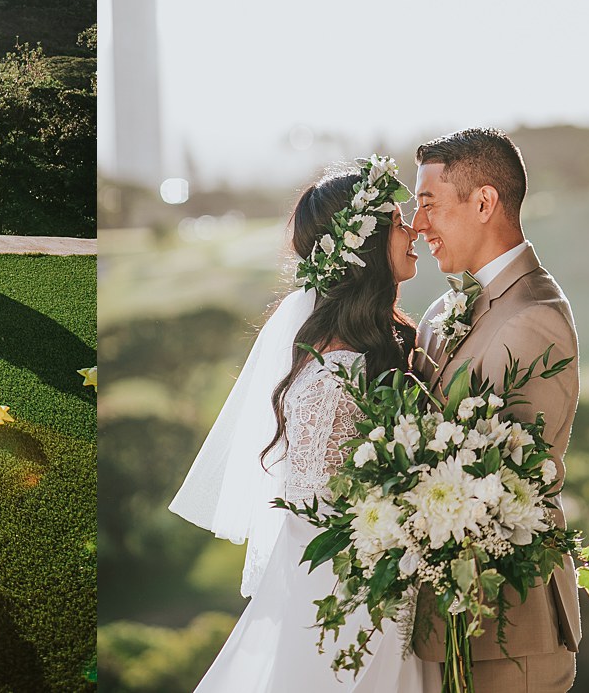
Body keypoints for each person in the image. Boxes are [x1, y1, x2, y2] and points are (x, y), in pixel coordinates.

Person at [170, 160, 439, 692]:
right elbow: (316, 521)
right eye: (397, 221)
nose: (414, 231)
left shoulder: (378, 347)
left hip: (389, 599)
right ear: (363, 245)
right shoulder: (332, 380)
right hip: (352, 617)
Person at [408, 128, 581, 692]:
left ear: (484, 203)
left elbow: (512, 485)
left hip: (511, 633)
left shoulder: (536, 316)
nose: (418, 224)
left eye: (429, 204)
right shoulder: (446, 308)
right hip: (449, 627)